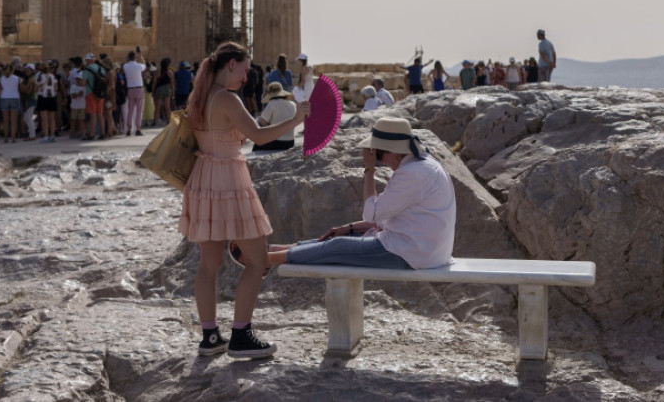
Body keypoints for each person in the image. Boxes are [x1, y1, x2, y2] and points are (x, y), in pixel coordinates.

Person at [178, 42, 310, 359]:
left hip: (203, 180)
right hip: (229, 181)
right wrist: (297, 119)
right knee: (258, 260)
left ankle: (210, 337)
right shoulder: (227, 98)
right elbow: (260, 137)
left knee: (208, 265)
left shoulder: (199, 96)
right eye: (245, 68)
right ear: (232, 64)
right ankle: (241, 335)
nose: (247, 75)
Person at [261, 117, 456, 271]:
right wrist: (349, 228)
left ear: (394, 151)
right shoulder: (423, 164)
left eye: (378, 155)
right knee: (337, 239)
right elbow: (392, 217)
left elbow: (371, 214)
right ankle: (275, 250)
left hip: (412, 254)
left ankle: (265, 260)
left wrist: (369, 170)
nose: (380, 161)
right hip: (426, 250)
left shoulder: (412, 173)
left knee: (337, 247)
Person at [255, 82, 298, 151]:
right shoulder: (293, 104)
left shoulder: (273, 103)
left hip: (276, 141)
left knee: (257, 145)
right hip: (290, 141)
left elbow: (263, 122)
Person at [122, 50, 147, 136]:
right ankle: (138, 129)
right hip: (139, 88)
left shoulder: (125, 66)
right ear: (135, 57)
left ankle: (129, 129)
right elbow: (145, 66)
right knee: (139, 110)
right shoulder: (139, 65)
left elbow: (126, 65)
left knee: (130, 110)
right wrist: (141, 57)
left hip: (130, 89)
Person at [82, 54, 106, 140]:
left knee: (92, 115)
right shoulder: (101, 68)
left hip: (90, 93)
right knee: (100, 114)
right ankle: (102, 133)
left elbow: (83, 83)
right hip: (100, 94)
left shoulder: (86, 70)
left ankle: (91, 134)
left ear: (88, 60)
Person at [35, 62, 58, 142]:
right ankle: (52, 135)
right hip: (52, 97)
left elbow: (36, 88)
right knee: (52, 118)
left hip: (43, 97)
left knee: (44, 118)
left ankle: (46, 135)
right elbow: (56, 88)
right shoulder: (53, 76)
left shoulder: (39, 76)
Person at [0, 64, 22, 143]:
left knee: (5, 120)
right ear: (12, 70)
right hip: (14, 97)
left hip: (4, 97)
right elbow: (21, 88)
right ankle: (13, 138)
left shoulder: (0, 79)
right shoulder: (17, 78)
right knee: (13, 120)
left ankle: (5, 138)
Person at [154, 58, 173, 125]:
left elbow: (154, 82)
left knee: (158, 107)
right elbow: (172, 83)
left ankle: (155, 121)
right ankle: (169, 120)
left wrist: (153, 91)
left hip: (159, 89)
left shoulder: (158, 72)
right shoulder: (170, 72)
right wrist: (172, 91)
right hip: (167, 89)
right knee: (167, 107)